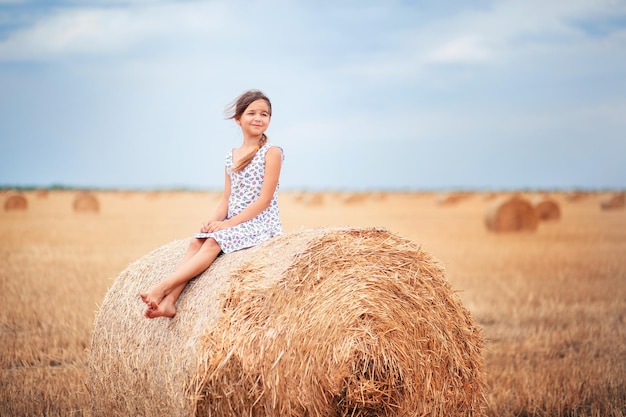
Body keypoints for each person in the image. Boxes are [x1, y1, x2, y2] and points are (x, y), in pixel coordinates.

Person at [140, 89, 283, 318]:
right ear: (238, 119)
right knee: (198, 240)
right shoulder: (231, 156)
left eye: (264, 114)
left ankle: (164, 287)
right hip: (234, 222)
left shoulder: (271, 152)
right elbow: (226, 198)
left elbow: (264, 200)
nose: (258, 118)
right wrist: (214, 221)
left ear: (269, 120)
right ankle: (170, 302)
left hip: (260, 224)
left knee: (213, 242)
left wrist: (228, 225)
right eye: (252, 113)